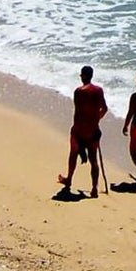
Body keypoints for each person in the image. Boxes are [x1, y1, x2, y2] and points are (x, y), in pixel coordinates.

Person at [60, 65, 110, 197]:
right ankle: (94, 188)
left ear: (83, 76)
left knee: (73, 154)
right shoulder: (99, 91)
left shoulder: (78, 92)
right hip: (93, 130)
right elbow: (104, 109)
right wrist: (96, 120)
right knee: (94, 160)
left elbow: (78, 114)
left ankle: (69, 179)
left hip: (79, 130)